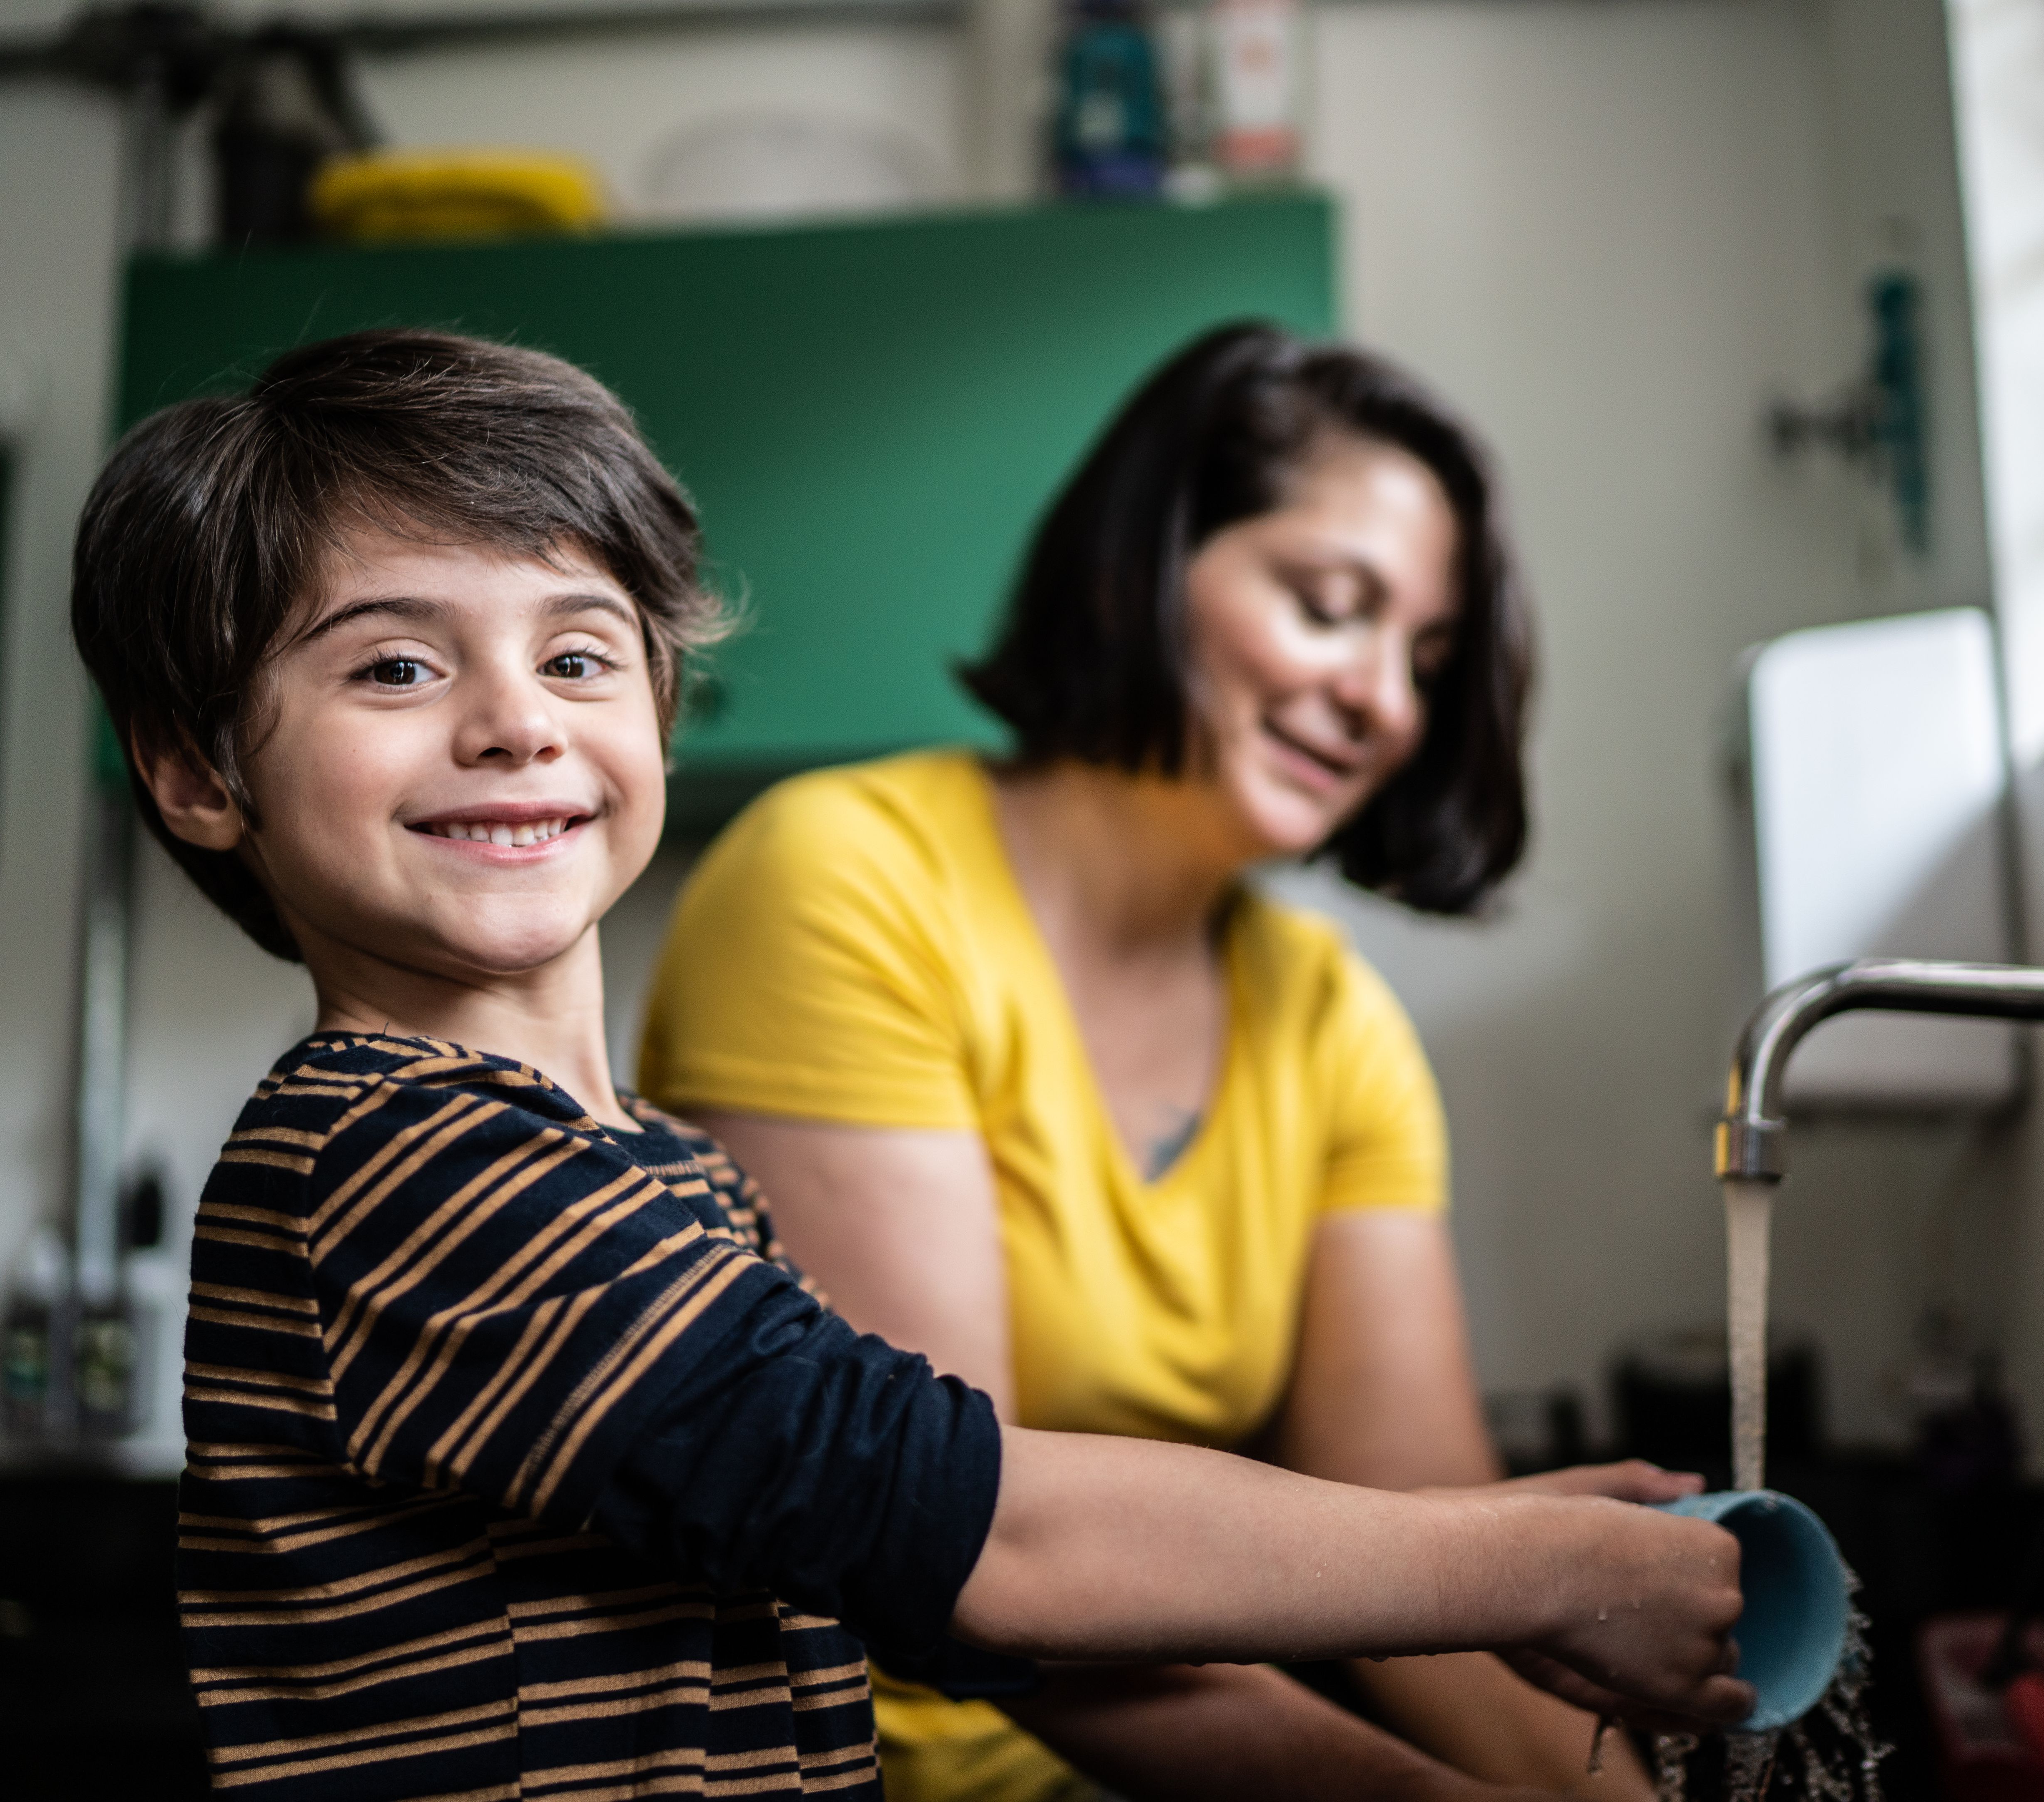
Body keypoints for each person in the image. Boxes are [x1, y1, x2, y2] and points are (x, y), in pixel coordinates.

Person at [68, 329, 1751, 1802]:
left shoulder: (649, 1173)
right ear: (203, 777)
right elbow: (972, 1537)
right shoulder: (408, 1158)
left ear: (659, 711)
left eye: (578, 654)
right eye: (396, 663)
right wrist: (1539, 1564)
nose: (516, 719)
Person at [641, 323, 1679, 1800]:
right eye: (1333, 608)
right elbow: (962, 1552)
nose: (1385, 698)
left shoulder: (1333, 1022)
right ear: (1148, 561)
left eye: (1426, 659)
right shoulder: (844, 880)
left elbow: (1434, 1585)